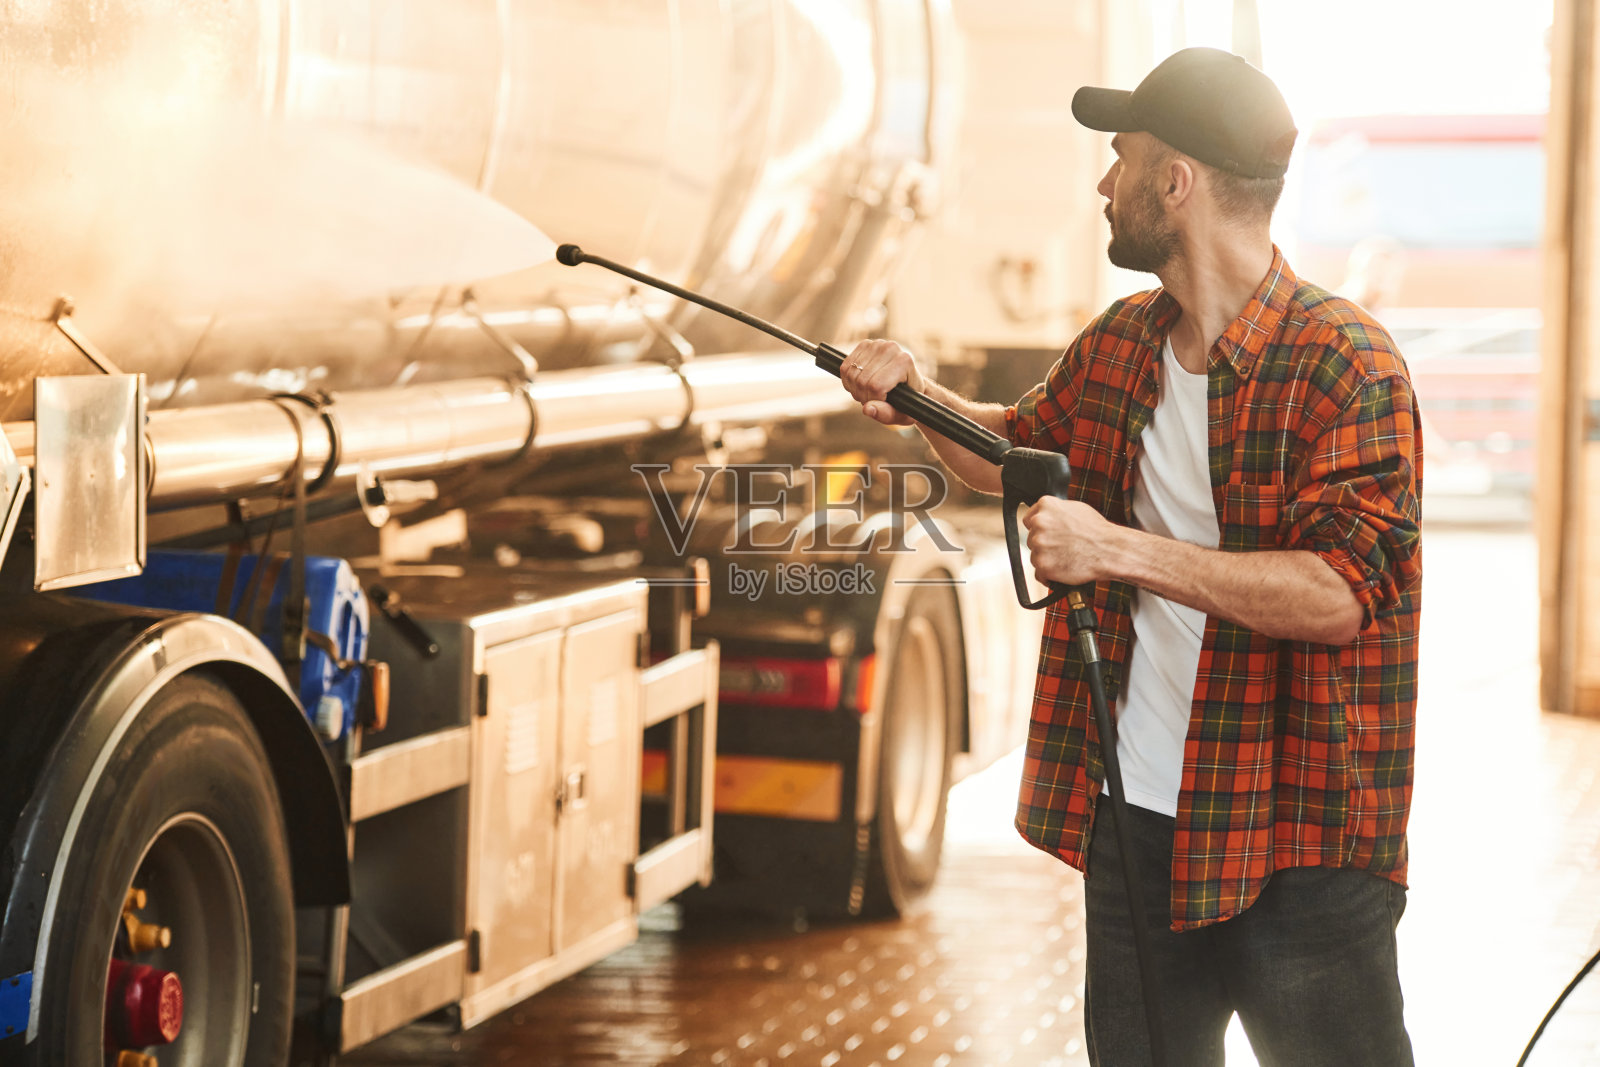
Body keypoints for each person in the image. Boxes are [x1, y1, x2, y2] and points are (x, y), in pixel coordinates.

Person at [839, 47, 1422, 1067]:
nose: (1102, 186)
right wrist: (914, 398)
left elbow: (1335, 593)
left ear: (1175, 181)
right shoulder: (1123, 342)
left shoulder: (1346, 362)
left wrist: (1116, 548)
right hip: (1138, 822)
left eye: (1119, 160)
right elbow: (1012, 450)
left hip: (1298, 840)